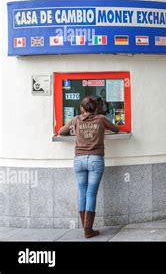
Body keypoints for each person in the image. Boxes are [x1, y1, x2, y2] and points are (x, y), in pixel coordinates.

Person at [58, 96, 119, 238]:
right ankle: (88, 229)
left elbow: (61, 132)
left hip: (79, 160)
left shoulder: (76, 119)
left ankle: (86, 228)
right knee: (91, 193)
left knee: (82, 192)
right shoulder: (101, 119)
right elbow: (116, 129)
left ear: (82, 108)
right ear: (96, 108)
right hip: (95, 160)